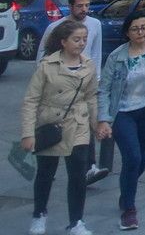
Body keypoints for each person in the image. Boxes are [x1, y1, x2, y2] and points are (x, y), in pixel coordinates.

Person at [97, 12, 145, 231]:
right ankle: (129, 209)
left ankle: (126, 190)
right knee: (132, 158)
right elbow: (103, 90)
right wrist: (103, 119)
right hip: (123, 113)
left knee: (141, 160)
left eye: (144, 27)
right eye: (135, 29)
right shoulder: (117, 57)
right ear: (127, 32)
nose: (141, 32)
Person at [21, 20, 99, 235]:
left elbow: (92, 96)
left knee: (77, 175)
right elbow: (31, 100)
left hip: (78, 125)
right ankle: (39, 214)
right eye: (76, 39)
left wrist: (97, 124)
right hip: (50, 124)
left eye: (84, 39)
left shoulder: (88, 65)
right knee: (46, 173)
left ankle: (76, 222)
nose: (81, 43)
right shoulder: (47, 65)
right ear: (63, 42)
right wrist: (28, 133)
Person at [36, 0, 108, 186]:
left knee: (85, 123)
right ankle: (48, 168)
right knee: (55, 126)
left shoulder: (95, 25)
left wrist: (96, 78)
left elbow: (96, 52)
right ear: (70, 7)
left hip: (84, 83)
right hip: (58, 88)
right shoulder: (55, 27)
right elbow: (41, 56)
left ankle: (89, 167)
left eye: (87, 5)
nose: (84, 9)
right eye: (80, 6)